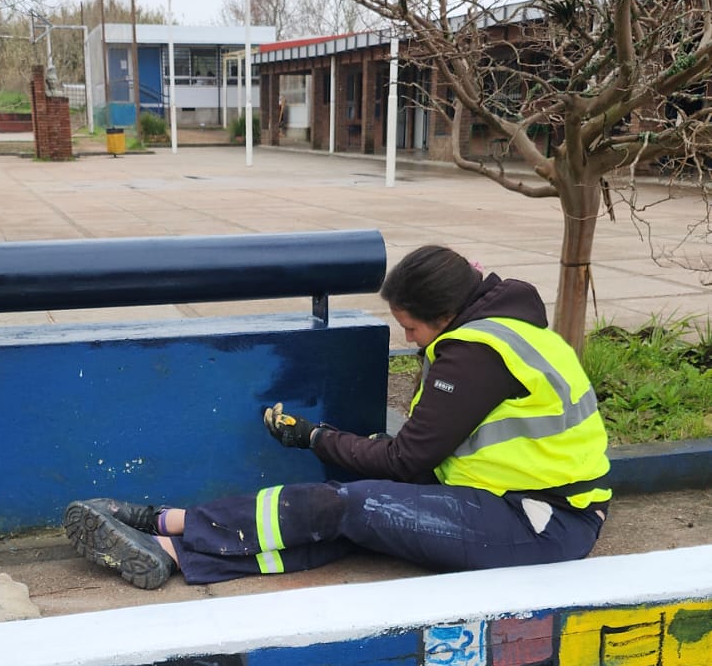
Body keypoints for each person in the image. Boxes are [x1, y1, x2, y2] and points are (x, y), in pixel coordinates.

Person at [64, 245, 611, 590]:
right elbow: (429, 454)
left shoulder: (475, 350)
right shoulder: (507, 332)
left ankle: (167, 521)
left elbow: (408, 459)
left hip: (540, 524)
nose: (408, 339)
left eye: (412, 328)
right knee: (360, 525)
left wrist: (316, 437)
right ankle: (173, 552)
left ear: (443, 315)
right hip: (516, 508)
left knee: (356, 503)